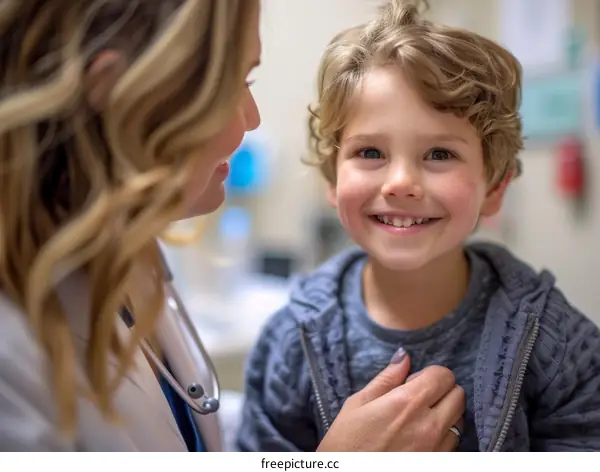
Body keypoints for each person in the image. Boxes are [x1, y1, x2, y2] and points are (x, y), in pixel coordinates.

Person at [0, 0, 465, 452]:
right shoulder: (13, 366)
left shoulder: (129, 262)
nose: (253, 117)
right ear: (112, 90)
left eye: (440, 155)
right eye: (235, 83)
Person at [236, 0, 600, 453]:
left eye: (439, 154)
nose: (401, 183)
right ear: (332, 178)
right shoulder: (290, 343)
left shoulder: (555, 340)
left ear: (495, 186)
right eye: (370, 152)